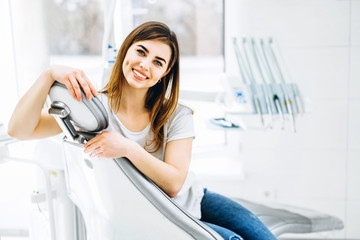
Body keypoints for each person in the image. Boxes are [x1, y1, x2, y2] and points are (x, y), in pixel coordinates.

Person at [8, 21, 277, 240]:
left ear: (165, 73)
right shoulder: (91, 111)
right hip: (156, 215)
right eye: (141, 51)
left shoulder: (177, 115)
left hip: (194, 199)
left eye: (158, 62)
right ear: (126, 51)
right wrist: (48, 75)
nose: (145, 65)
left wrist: (127, 148)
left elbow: (174, 184)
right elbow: (19, 129)